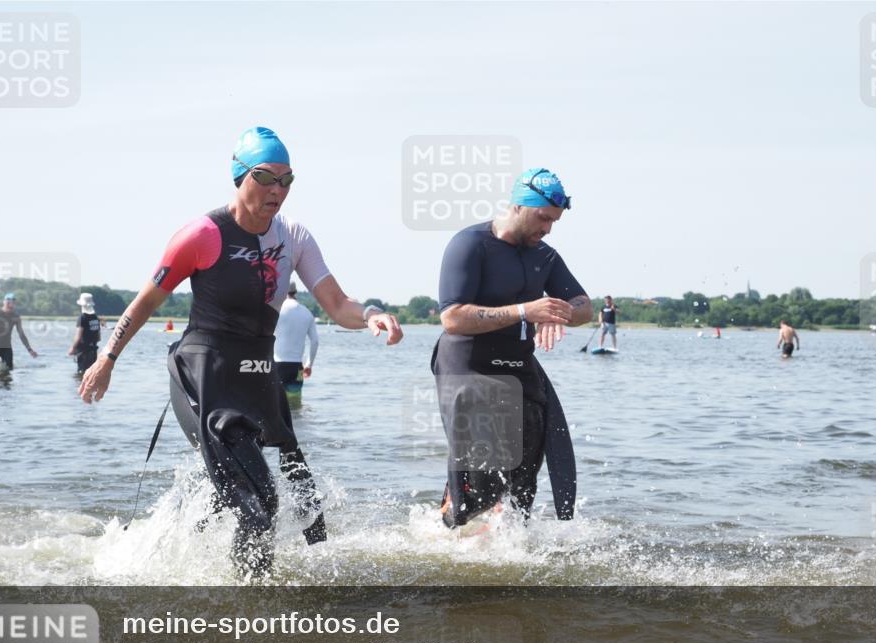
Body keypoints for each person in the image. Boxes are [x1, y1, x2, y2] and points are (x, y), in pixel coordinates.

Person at [77, 126, 403, 577]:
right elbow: (145, 302)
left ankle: (190, 544)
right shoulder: (201, 235)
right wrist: (107, 359)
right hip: (203, 376)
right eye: (265, 177)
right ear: (239, 176)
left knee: (304, 497)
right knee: (260, 501)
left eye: (286, 180)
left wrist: (370, 314)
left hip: (257, 376)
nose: (277, 190)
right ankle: (249, 598)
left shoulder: (294, 236)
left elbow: (336, 303)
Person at [433, 167, 593, 529]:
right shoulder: (470, 244)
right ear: (518, 206)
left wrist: (559, 312)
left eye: (554, 221)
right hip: (468, 366)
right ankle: (447, 524)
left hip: (518, 366)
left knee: (522, 476)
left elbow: (585, 306)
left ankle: (506, 545)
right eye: (543, 218)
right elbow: (452, 317)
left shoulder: (544, 256)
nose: (548, 228)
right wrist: (525, 311)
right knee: (483, 482)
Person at [274, 281, 319, 395]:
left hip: (277, 365)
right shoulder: (307, 312)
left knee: (275, 402)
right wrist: (309, 365)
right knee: (295, 402)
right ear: (296, 293)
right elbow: (315, 341)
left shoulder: (276, 310)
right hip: (297, 366)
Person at [0, 293, 38, 369]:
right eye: (8, 302)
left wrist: (29, 349)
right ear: (4, 302)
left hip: (7, 346)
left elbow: (21, 334)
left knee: (9, 369)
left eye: (12, 302)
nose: (10, 304)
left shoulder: (16, 317)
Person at [68, 293, 101, 374]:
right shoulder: (95, 317)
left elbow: (78, 336)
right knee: (91, 373)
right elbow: (99, 336)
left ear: (82, 305)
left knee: (82, 373)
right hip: (93, 350)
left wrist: (73, 348)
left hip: (84, 351)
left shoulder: (82, 317)